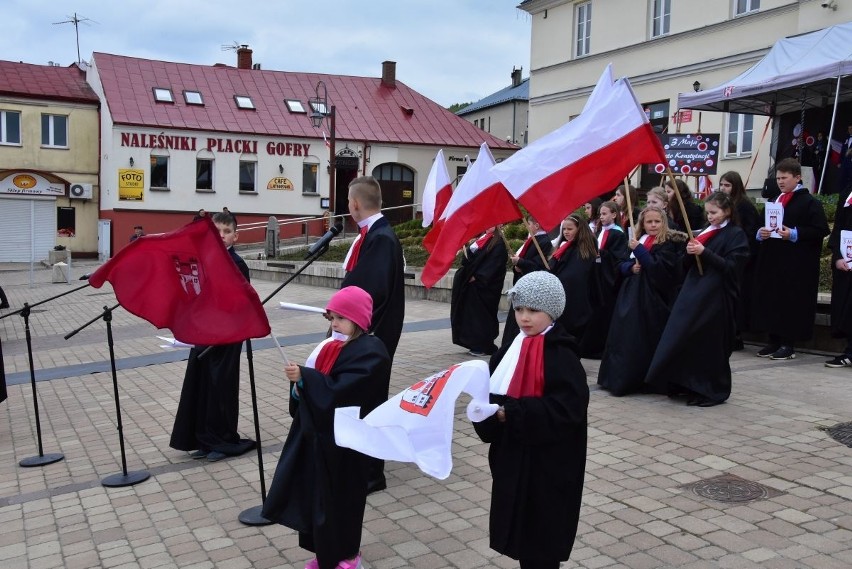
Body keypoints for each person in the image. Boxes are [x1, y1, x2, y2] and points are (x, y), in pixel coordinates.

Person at [262, 286, 390, 569]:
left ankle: (348, 555)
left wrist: (306, 379)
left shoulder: (371, 350)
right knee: (320, 500)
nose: (334, 324)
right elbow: (318, 388)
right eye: (331, 318)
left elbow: (345, 391)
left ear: (359, 320)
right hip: (322, 439)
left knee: (344, 501)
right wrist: (299, 387)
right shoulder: (330, 346)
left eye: (341, 318)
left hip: (349, 444)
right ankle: (325, 554)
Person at [473, 271, 588, 569]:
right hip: (513, 458)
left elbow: (568, 411)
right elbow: (492, 394)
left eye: (534, 311)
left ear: (552, 312)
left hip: (550, 465)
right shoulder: (509, 351)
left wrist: (512, 413)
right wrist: (483, 414)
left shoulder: (562, 355)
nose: (524, 317)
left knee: (543, 535)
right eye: (519, 309)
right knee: (522, 531)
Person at [646, 192, 750, 407]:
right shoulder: (704, 232)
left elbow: (732, 267)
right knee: (687, 339)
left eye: (714, 212)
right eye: (708, 212)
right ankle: (687, 384)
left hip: (717, 297)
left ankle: (710, 389)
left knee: (709, 344)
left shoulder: (735, 234)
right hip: (694, 293)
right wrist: (689, 252)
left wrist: (705, 252)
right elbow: (684, 265)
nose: (710, 217)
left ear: (727, 211)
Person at [169, 212, 255, 461]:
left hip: (227, 336)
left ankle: (223, 440)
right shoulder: (202, 260)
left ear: (235, 236)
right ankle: (204, 439)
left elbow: (240, 303)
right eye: (216, 231)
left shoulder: (237, 264)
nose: (221, 236)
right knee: (202, 385)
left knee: (220, 388)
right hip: (204, 332)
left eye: (226, 232)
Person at [340, 175, 405, 493]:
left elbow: (368, 293)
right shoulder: (376, 235)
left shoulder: (379, 238)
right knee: (361, 400)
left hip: (370, 337)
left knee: (367, 401)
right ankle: (361, 466)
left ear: (354, 204)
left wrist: (342, 317)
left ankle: (369, 473)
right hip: (368, 335)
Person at [597, 206, 686, 396]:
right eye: (649, 222)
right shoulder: (638, 240)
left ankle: (646, 379)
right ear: (642, 224)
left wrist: (640, 252)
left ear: (663, 222)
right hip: (630, 295)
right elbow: (620, 264)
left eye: (657, 221)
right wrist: (630, 268)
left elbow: (660, 270)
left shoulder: (667, 243)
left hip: (652, 299)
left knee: (643, 337)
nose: (653, 225)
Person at [752, 158, 829, 360]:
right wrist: (761, 233)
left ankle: (788, 343)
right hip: (772, 260)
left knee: (790, 302)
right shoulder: (774, 201)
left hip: (796, 264)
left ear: (797, 177)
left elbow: (820, 230)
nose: (780, 182)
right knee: (772, 300)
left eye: (784, 178)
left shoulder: (810, 202)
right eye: (778, 178)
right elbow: (759, 226)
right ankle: (774, 340)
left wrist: (794, 233)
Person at [578, 201, 629, 359]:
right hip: (597, 275)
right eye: (600, 214)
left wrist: (602, 255)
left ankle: (599, 347)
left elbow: (617, 257)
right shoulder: (600, 230)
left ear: (614, 215)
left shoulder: (618, 234)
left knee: (603, 313)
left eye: (605, 213)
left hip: (607, 280)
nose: (602, 217)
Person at [451, 226, 509, 357]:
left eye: (492, 224)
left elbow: (494, 265)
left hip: (486, 287)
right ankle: (473, 342)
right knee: (472, 315)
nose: (489, 226)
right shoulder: (480, 240)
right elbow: (470, 261)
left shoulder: (498, 243)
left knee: (482, 317)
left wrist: (478, 276)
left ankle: (483, 345)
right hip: (473, 286)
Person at [719, 170, 760, 349]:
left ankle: (736, 334)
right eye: (721, 185)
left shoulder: (744, 206)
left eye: (727, 185)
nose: (723, 188)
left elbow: (750, 234)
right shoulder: (722, 204)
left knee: (737, 299)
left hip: (740, 260)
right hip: (725, 257)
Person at [501, 215, 553, 346]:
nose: (527, 227)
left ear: (536, 225)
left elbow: (539, 265)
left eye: (529, 224)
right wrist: (518, 264)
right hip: (522, 281)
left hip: (532, 286)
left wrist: (521, 262)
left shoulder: (544, 241)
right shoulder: (533, 239)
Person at [548, 214, 597, 342]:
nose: (566, 232)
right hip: (562, 294)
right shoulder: (564, 246)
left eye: (570, 229)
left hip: (576, 297)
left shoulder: (585, 248)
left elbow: (576, 274)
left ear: (579, 229)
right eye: (564, 229)